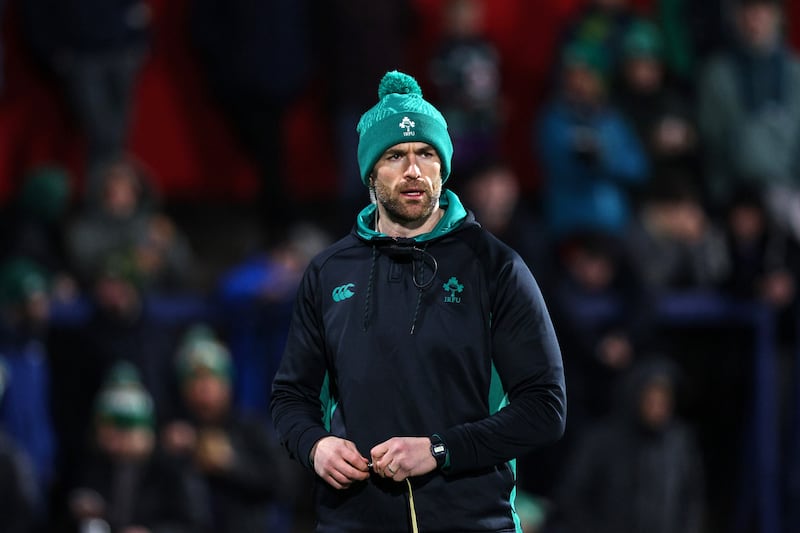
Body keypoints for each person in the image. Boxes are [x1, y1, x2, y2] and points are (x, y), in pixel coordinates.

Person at [270, 71, 566, 532]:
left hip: (471, 519)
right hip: (354, 521)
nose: (413, 169)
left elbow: (545, 409)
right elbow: (292, 395)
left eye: (426, 153)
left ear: (443, 166)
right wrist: (315, 446)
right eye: (395, 155)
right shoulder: (328, 273)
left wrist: (438, 450)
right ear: (370, 172)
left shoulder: (495, 267)